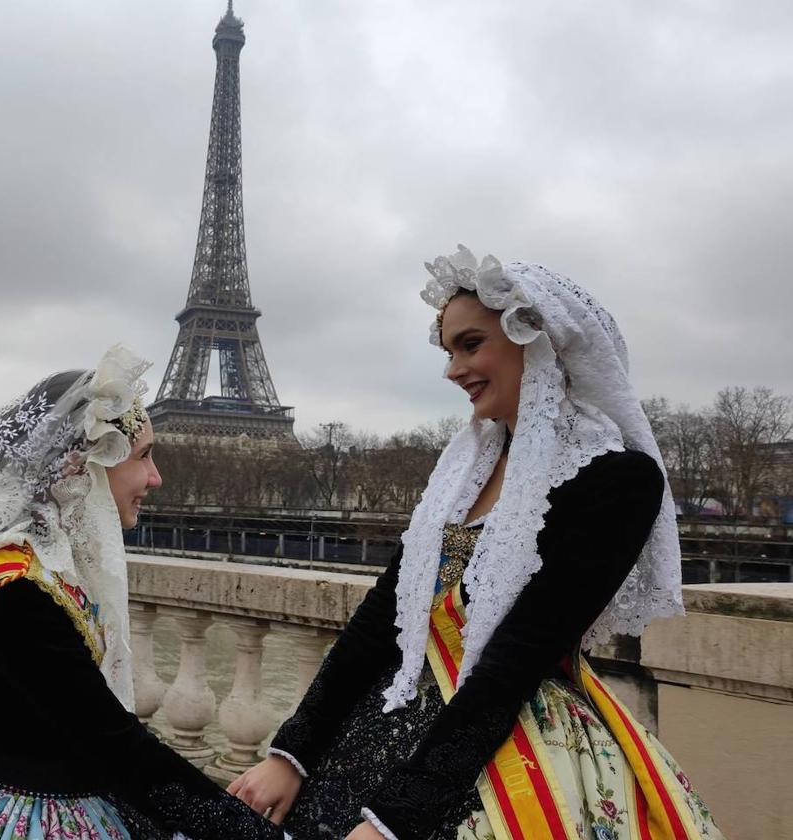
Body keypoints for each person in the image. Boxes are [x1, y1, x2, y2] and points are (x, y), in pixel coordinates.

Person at [229, 248, 724, 840]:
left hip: (504, 748)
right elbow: (377, 623)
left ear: (536, 342)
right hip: (388, 733)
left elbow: (513, 664)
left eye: (470, 345)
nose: (452, 370)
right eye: (448, 351)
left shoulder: (618, 481)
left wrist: (396, 820)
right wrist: (292, 754)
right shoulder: (462, 473)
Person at [0, 346, 293, 840]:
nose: (155, 476)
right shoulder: (19, 591)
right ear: (83, 465)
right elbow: (114, 743)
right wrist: (247, 831)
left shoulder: (38, 573)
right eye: (144, 456)